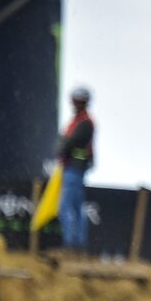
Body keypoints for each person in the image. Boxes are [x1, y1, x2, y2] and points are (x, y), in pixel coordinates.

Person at [58, 87, 96, 253]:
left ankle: (72, 244)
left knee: (67, 208)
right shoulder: (79, 121)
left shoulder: (85, 123)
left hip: (75, 169)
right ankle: (76, 244)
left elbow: (71, 143)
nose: (75, 105)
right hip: (74, 168)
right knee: (75, 207)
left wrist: (62, 147)